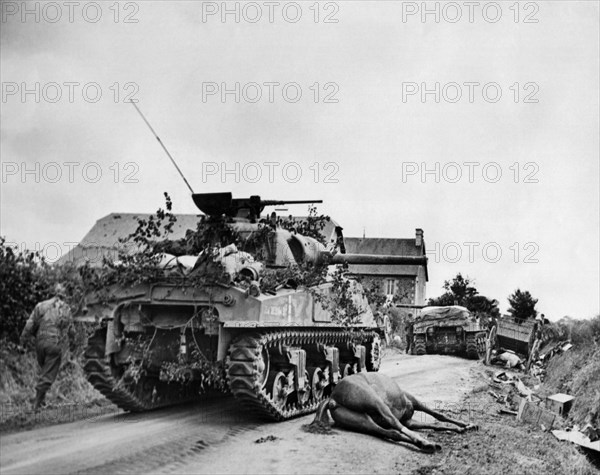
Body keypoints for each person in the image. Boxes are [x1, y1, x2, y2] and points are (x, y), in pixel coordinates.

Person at [20, 283, 74, 410]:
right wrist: (73, 343)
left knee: (45, 371)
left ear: (52, 293)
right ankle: (36, 406)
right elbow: (71, 331)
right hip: (53, 343)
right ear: (64, 295)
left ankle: (42, 403)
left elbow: (29, 325)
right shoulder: (65, 308)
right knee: (48, 375)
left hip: (39, 343)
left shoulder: (40, 305)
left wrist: (22, 342)